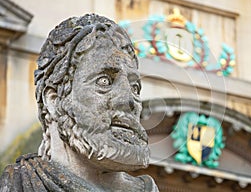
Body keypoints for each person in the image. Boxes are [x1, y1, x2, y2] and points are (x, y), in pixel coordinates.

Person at [0, 14, 158, 192]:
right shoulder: (19, 185)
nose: (128, 100)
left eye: (134, 87)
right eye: (104, 81)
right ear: (53, 100)